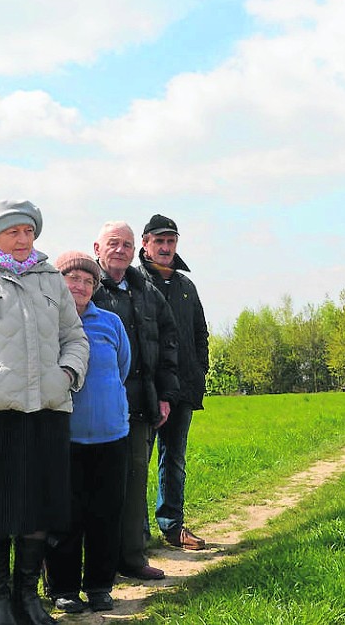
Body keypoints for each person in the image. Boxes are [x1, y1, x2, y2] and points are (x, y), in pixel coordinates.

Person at [0, 200, 89, 625]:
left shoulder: (50, 279)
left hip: (46, 410)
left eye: (29, 231)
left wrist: (65, 373)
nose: (24, 239)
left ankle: (28, 599)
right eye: (14, 232)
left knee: (39, 506)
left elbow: (74, 336)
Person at [92, 221, 179, 581]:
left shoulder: (145, 290)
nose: (121, 250)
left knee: (132, 483)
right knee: (94, 486)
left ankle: (131, 557)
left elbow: (168, 342)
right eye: (113, 243)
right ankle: (96, 567)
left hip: (140, 405)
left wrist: (166, 395)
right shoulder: (86, 286)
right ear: (97, 248)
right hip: (93, 407)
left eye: (127, 245)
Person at [45, 252, 131, 614]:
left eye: (88, 281)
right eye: (72, 279)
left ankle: (100, 586)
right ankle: (63, 589)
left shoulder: (110, 322)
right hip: (64, 438)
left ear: (95, 288)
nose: (80, 286)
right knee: (65, 516)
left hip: (111, 437)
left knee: (106, 516)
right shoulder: (47, 323)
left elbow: (123, 367)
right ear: (58, 282)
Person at [139, 215, 209, 550]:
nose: (166, 247)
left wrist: (200, 372)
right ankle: (136, 535)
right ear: (145, 243)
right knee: (138, 461)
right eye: (159, 241)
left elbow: (200, 334)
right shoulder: (134, 282)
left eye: (171, 241)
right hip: (145, 390)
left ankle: (172, 526)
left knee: (174, 460)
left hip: (182, 387)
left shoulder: (186, 286)